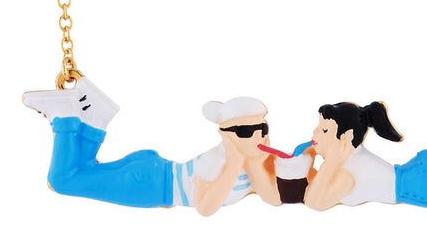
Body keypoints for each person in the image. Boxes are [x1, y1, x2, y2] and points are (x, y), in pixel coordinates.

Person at [23, 77, 280, 216]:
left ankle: (96, 115)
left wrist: (254, 162)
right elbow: (205, 207)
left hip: (151, 177)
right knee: (63, 180)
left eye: (263, 129)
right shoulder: (220, 162)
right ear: (225, 134)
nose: (259, 137)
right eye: (246, 131)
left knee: (82, 171)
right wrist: (234, 161)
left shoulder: (253, 163)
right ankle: (65, 116)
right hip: (151, 184)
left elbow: (272, 197)